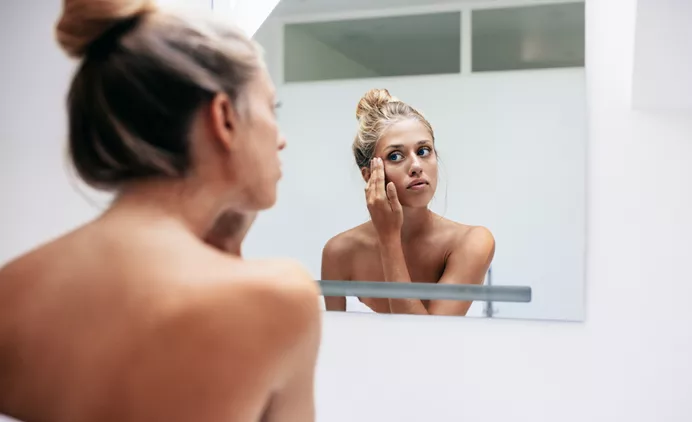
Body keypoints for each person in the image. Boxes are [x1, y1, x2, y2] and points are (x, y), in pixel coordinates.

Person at [0, 1, 322, 421]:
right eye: (271, 109)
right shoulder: (279, 298)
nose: (280, 139)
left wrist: (225, 252)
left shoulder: (12, 289)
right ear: (224, 118)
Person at [321, 89, 496, 316]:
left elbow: (423, 342)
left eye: (424, 151)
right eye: (395, 156)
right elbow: (336, 344)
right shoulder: (339, 252)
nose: (416, 166)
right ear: (368, 175)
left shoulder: (473, 242)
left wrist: (389, 239)